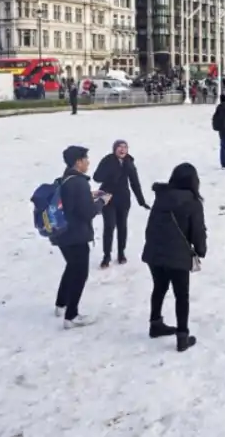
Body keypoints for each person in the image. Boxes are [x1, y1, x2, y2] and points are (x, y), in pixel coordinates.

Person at [141, 162, 207, 352]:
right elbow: (198, 231)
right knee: (181, 296)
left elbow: (150, 226)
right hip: (177, 255)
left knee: (159, 288)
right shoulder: (192, 203)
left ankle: (155, 324)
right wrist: (200, 250)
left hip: (154, 253)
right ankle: (182, 337)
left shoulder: (160, 198)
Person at [54, 145, 111, 328]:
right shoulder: (79, 182)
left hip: (62, 234)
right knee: (80, 273)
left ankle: (60, 304)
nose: (88, 162)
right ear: (78, 162)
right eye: (86, 159)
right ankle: (71, 316)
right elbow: (87, 212)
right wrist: (101, 202)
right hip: (76, 235)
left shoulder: (66, 178)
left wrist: (89, 195)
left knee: (71, 267)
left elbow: (72, 201)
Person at [92, 140, 149, 268]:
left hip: (123, 199)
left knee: (122, 226)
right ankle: (106, 256)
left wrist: (141, 201)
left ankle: (121, 253)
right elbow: (97, 177)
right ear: (114, 149)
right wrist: (110, 171)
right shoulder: (107, 160)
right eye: (119, 147)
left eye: (125, 147)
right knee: (109, 226)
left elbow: (135, 182)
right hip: (108, 198)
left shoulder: (129, 162)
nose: (122, 150)